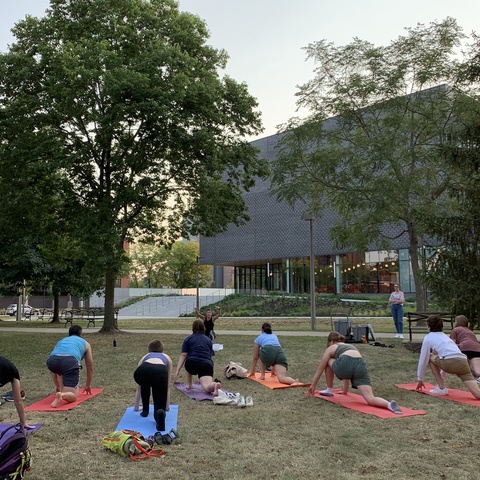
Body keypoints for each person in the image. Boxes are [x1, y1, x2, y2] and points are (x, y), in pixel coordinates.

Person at [307, 331, 403, 414]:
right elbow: (349, 366)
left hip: (346, 364)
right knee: (370, 398)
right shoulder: (349, 346)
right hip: (360, 364)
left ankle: (329, 389)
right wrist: (345, 391)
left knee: (328, 361)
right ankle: (389, 404)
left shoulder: (331, 347)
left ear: (331, 341)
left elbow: (321, 368)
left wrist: (313, 385)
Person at [415, 315, 480, 399]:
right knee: (478, 395)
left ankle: (441, 388)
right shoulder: (446, 337)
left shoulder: (428, 337)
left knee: (430, 357)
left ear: (429, 326)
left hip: (449, 362)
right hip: (463, 362)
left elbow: (424, 358)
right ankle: (441, 387)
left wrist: (420, 378)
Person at [46, 325, 94, 408]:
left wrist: (57, 385)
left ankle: (61, 390)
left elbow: (54, 369)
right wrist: (88, 385)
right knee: (73, 396)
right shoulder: (85, 343)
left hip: (52, 361)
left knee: (61, 370)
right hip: (69, 361)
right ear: (80, 334)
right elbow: (89, 367)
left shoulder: (61, 341)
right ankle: (62, 395)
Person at [173, 320, 221, 395]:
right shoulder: (208, 340)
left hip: (192, 364)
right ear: (203, 328)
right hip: (207, 364)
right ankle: (214, 385)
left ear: (193, 328)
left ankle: (189, 384)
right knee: (206, 387)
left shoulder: (188, 339)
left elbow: (183, 355)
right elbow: (210, 355)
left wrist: (177, 370)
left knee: (188, 361)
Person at [133, 339, 172, 431]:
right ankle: (159, 412)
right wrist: (166, 407)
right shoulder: (166, 357)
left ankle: (145, 410)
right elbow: (167, 387)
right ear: (162, 350)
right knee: (159, 400)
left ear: (149, 350)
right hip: (160, 371)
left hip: (142, 371)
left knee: (144, 384)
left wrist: (136, 407)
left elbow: (139, 388)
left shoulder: (145, 356)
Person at [0, 356, 33, 428]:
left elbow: (18, 401)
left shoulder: (13, 373)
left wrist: (23, 422)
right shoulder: (13, 372)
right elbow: (18, 401)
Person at [450, 315, 480, 382]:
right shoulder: (470, 331)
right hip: (477, 349)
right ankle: (478, 377)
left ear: (457, 322)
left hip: (464, 347)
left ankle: (470, 378)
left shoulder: (455, 330)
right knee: (477, 370)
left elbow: (452, 344)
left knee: (465, 368)